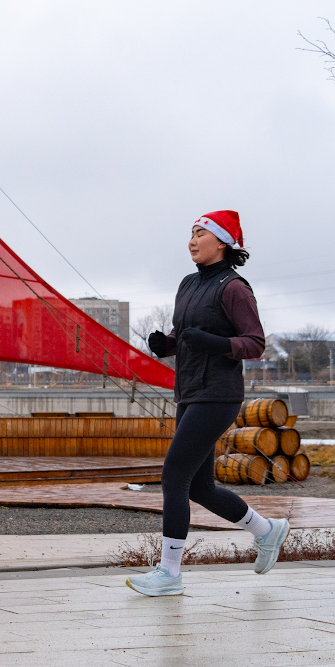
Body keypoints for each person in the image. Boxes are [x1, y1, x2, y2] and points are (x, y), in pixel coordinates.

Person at [127, 210, 288, 597]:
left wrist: (214, 344)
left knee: (173, 476)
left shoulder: (234, 288)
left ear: (222, 242)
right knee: (198, 487)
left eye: (201, 233)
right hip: (189, 392)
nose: (192, 240)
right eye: (192, 233)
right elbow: (185, 334)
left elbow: (255, 343)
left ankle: (169, 573)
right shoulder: (188, 284)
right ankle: (267, 530)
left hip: (218, 394)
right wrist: (165, 344)